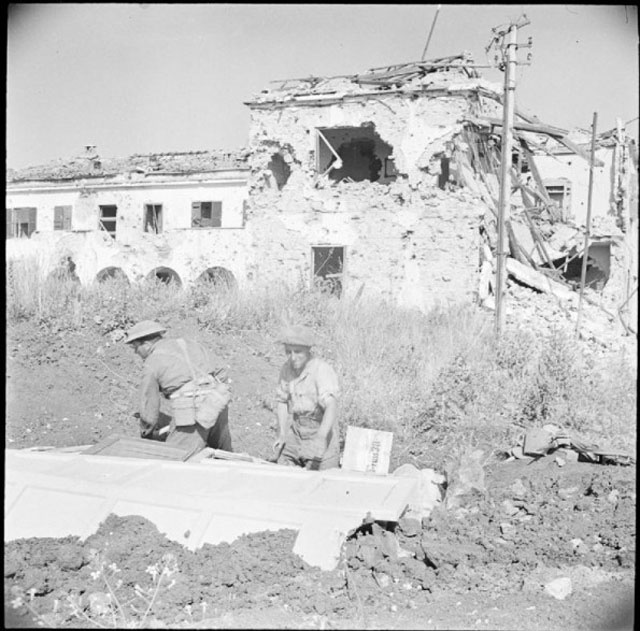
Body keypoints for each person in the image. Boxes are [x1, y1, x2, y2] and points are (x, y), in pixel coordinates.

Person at [124, 320, 232, 453]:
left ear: (146, 344)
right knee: (225, 457)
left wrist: (147, 432)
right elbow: (221, 370)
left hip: (192, 409)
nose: (135, 352)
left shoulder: (152, 362)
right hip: (217, 401)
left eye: (135, 347)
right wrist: (214, 397)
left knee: (175, 459)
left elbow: (149, 402)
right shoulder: (189, 344)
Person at [274, 324, 341, 470]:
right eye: (288, 352)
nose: (293, 357)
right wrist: (282, 434)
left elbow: (331, 405)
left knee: (321, 483)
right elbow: (282, 402)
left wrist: (321, 437)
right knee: (281, 475)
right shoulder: (286, 369)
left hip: (319, 429)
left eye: (298, 352)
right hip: (297, 431)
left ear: (308, 351)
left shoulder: (321, 370)